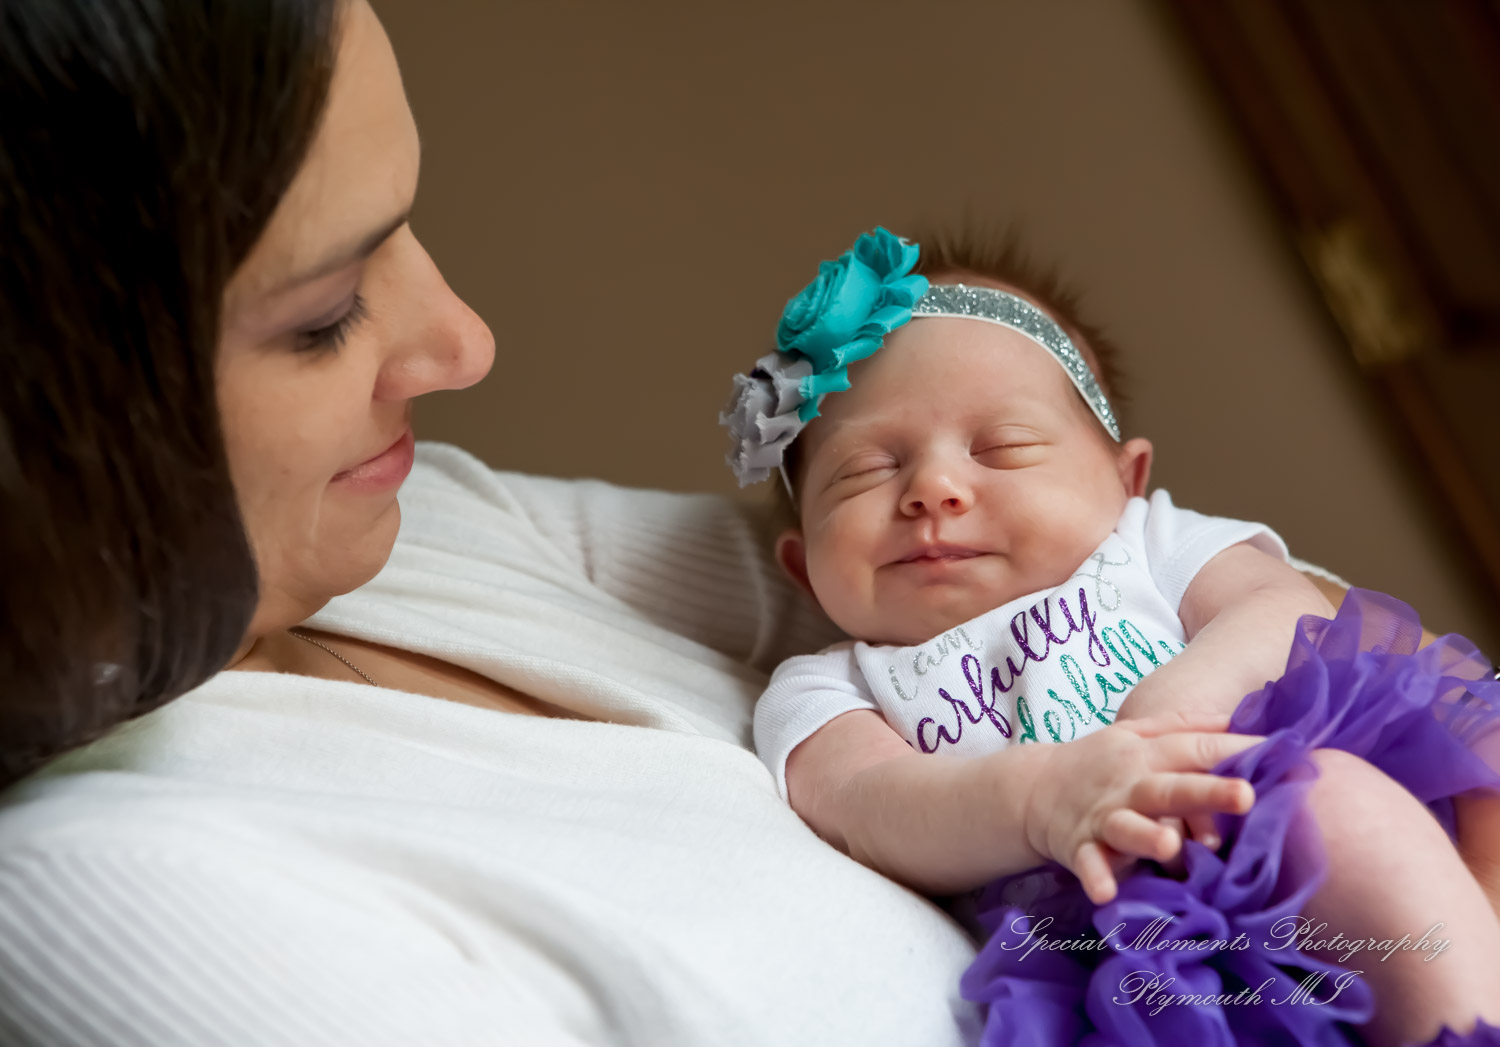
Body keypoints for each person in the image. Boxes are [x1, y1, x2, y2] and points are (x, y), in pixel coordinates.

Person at [0, 4, 988, 1045]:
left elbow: (1063, 588)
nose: (464, 344)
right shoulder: (106, 896)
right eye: (325, 312)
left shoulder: (437, 522)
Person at [720, 227, 1500, 1046]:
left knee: (1342, 799)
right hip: (1124, 939)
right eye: (865, 471)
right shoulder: (828, 687)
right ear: (804, 570)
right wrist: (1038, 798)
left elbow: (1282, 607)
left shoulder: (1153, 544)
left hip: (1281, 812)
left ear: (1126, 482)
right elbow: (866, 805)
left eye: (1004, 447)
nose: (934, 489)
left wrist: (1187, 695)